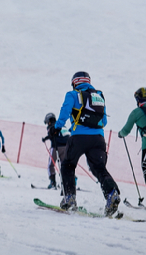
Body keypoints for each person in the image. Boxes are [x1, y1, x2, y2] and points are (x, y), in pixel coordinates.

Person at [54, 71, 120, 216]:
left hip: (79, 137)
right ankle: (111, 194)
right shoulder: (99, 96)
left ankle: (70, 198)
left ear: (75, 82)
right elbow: (104, 121)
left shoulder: (72, 95)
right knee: (100, 169)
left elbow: (64, 112)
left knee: (68, 165)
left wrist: (57, 127)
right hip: (98, 138)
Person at [42, 112, 69, 189]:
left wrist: (45, 139)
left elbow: (51, 135)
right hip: (66, 147)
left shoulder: (50, 127)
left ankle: (53, 182)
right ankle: (68, 182)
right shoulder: (61, 125)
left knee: (51, 165)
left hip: (56, 147)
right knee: (64, 165)